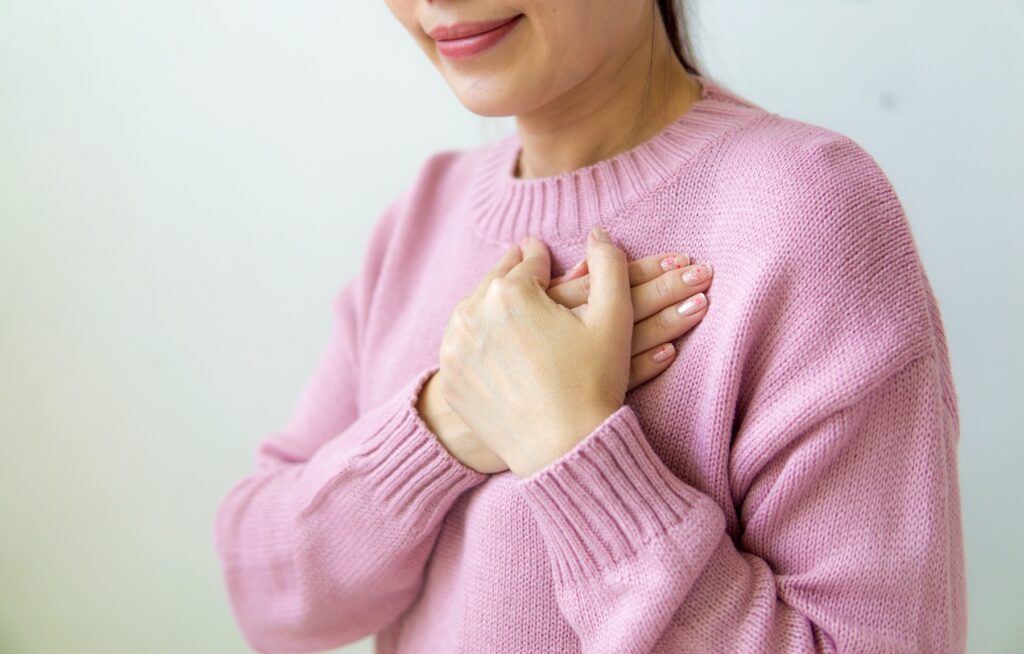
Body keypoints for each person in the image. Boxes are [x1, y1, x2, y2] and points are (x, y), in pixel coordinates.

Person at [213, 2, 966, 652]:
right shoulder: (422, 216)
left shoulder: (806, 213)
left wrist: (573, 450)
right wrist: (447, 421)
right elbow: (264, 589)